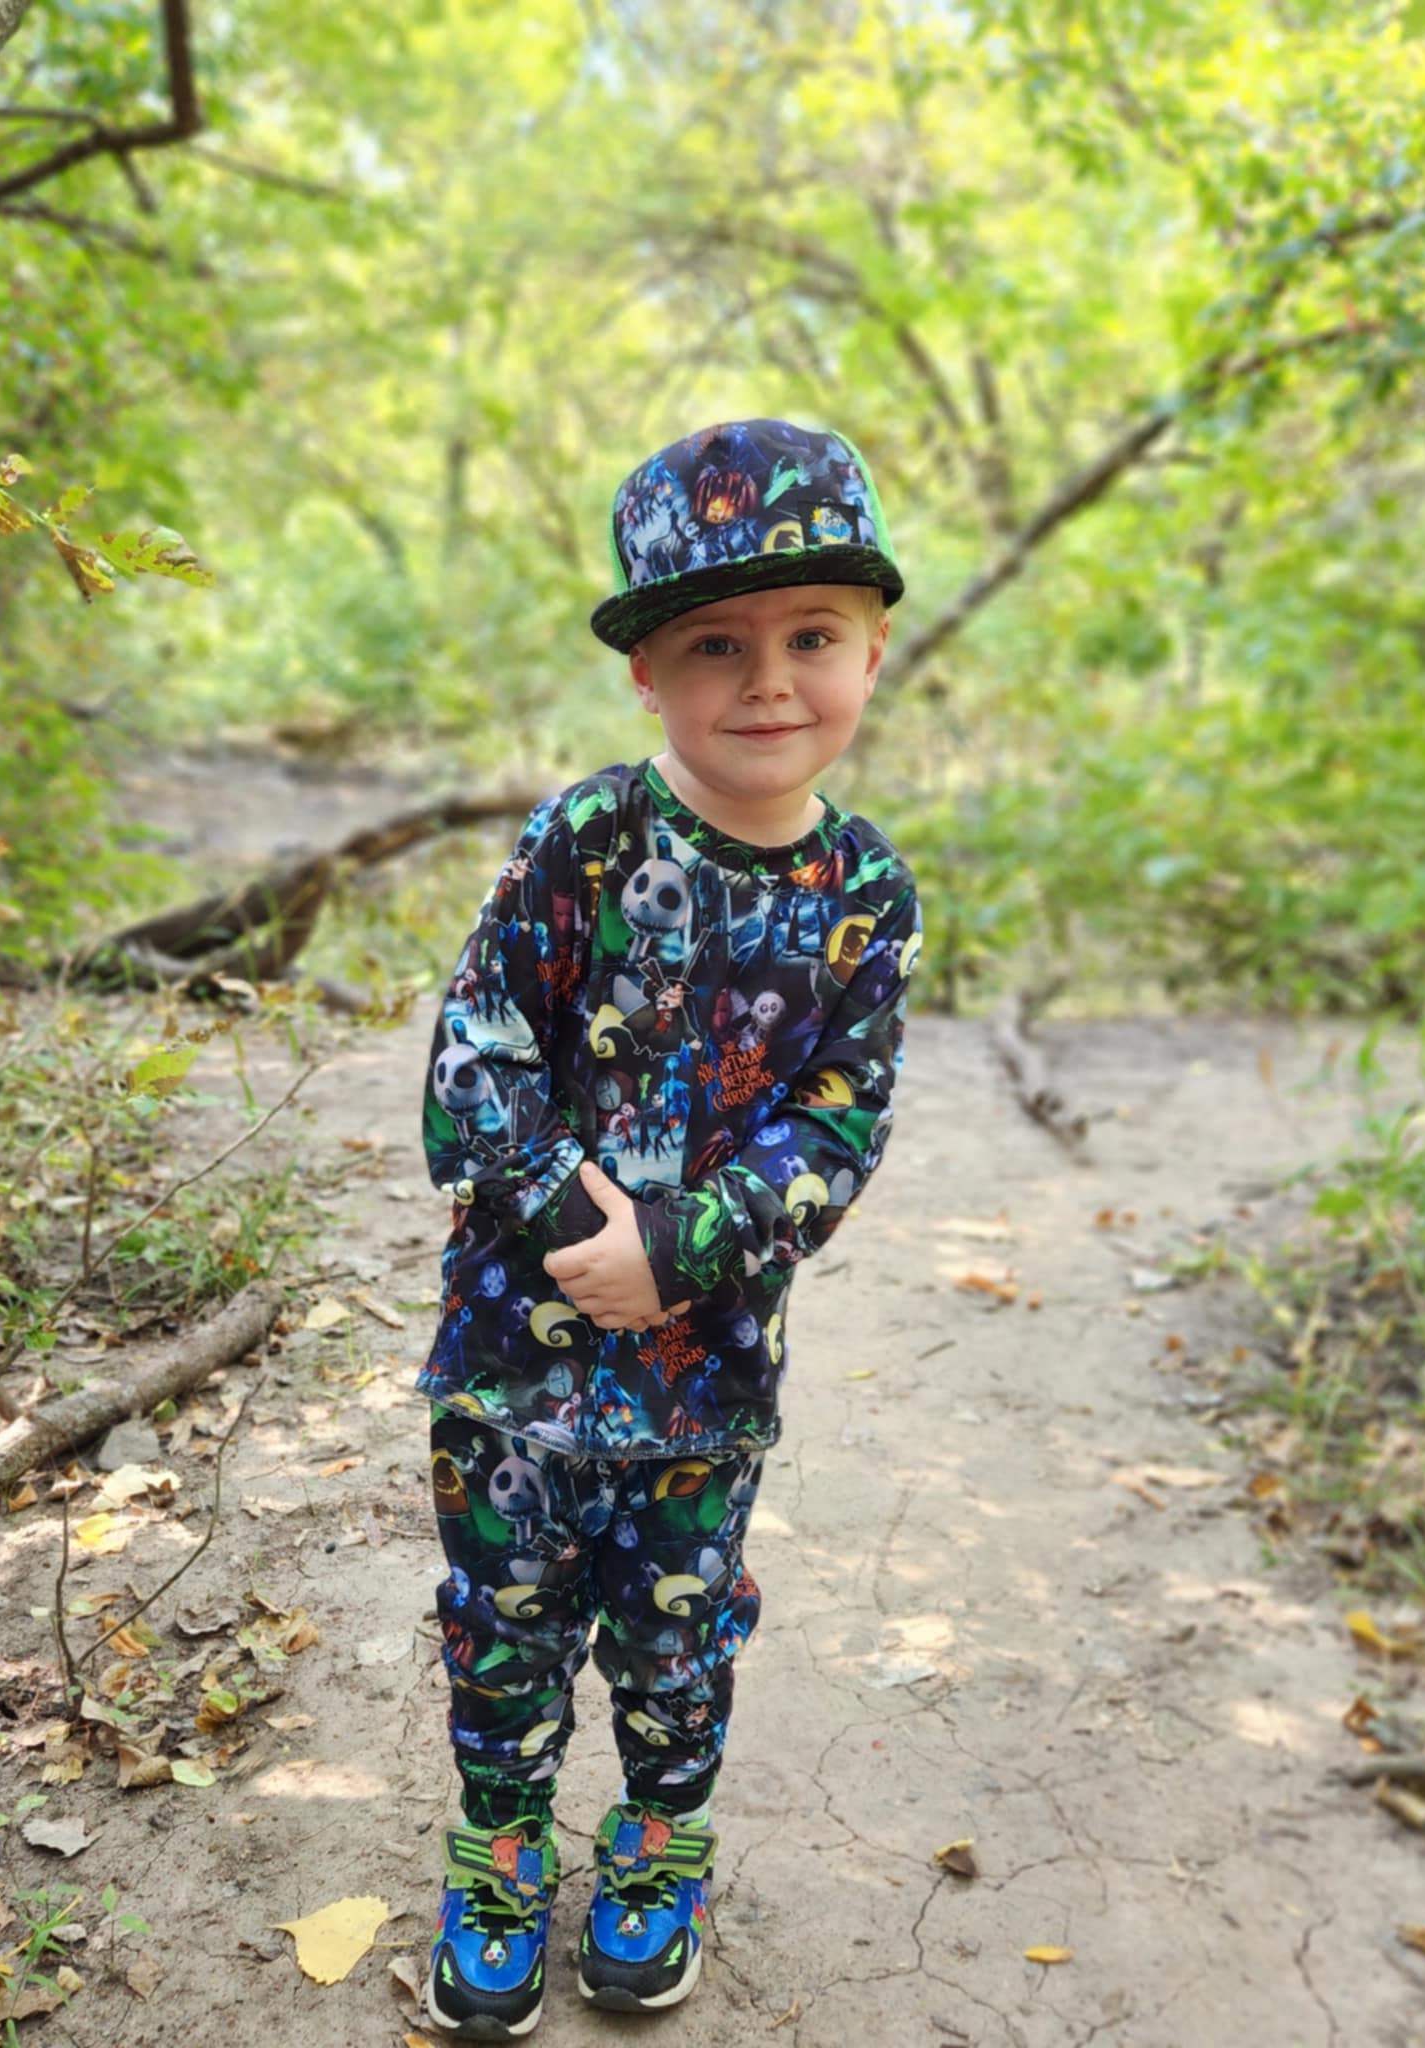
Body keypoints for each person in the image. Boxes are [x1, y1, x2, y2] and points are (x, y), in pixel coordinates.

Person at [416, 417, 925, 2037]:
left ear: (872, 648)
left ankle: (657, 1846)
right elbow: (473, 1051)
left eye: (813, 638)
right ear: (649, 668)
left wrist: (684, 1250)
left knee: (676, 1628)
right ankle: (500, 1849)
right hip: (514, 1360)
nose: (771, 681)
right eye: (718, 642)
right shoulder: (586, 843)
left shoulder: (867, 891)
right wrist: (581, 1223)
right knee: (503, 1621)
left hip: (709, 1379)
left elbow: (840, 1117)